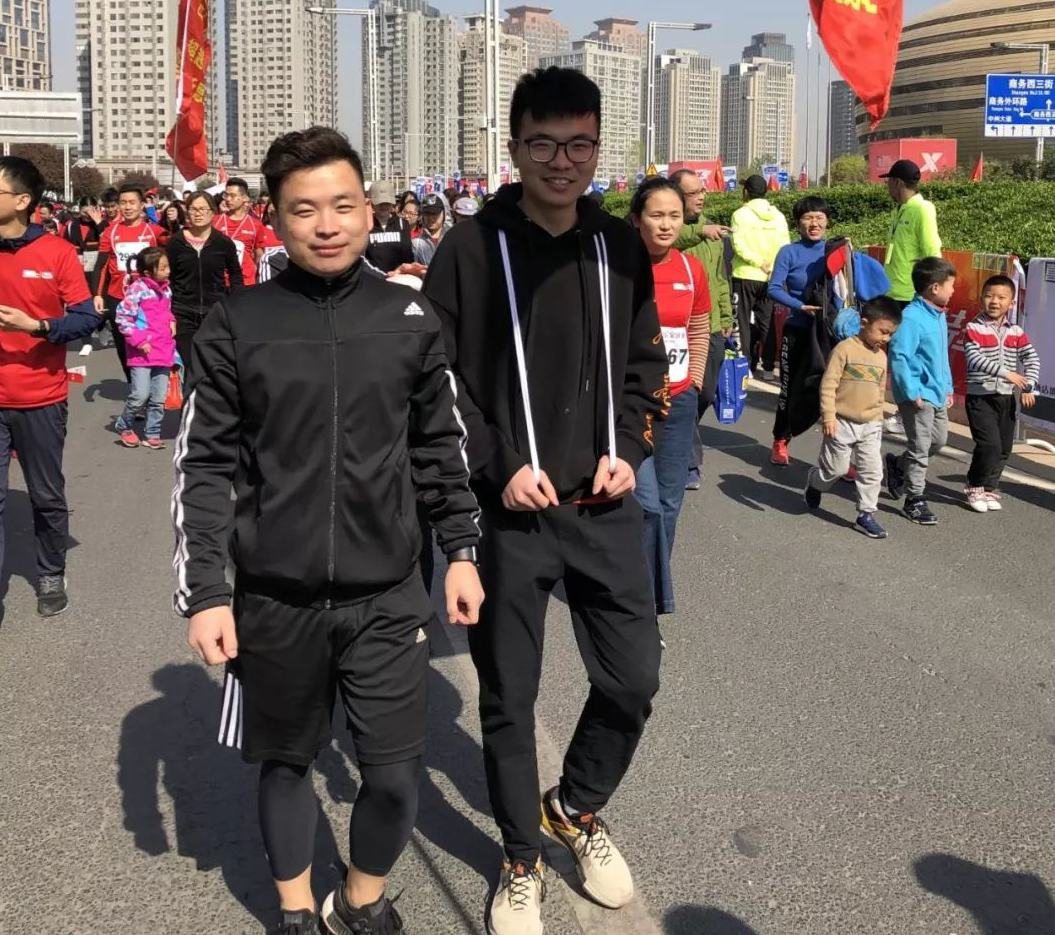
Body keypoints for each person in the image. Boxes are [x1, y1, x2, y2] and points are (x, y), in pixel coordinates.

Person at [174, 126, 483, 935]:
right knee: (285, 764)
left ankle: (360, 894)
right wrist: (206, 591)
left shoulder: (409, 315)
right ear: (274, 219)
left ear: (367, 208)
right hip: (274, 597)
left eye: (342, 205)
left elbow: (440, 446)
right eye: (304, 209)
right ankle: (294, 910)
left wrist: (460, 550)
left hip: (388, 594)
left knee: (393, 774)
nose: (326, 224)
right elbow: (202, 465)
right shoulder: (238, 321)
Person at [423, 66, 668, 935]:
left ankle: (574, 805)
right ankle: (520, 856)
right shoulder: (468, 248)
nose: (561, 163)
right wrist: (494, 463)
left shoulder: (618, 246)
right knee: (508, 697)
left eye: (578, 146)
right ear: (515, 146)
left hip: (601, 504)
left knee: (633, 677)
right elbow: (436, 377)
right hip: (509, 513)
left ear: (597, 149)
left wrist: (630, 447)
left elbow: (647, 363)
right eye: (543, 144)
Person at [0, 156, 99, 618]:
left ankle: (51, 571)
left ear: (22, 201)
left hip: (40, 397)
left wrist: (36, 325)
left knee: (45, 495)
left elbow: (85, 319)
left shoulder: (56, 252)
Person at [628, 176, 710, 617]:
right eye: (656, 215)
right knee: (647, 504)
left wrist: (693, 381)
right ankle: (642, 601)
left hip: (678, 402)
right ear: (636, 219)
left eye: (674, 215)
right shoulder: (619, 267)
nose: (666, 224)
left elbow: (698, 327)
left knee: (670, 502)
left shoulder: (690, 269)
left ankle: (650, 591)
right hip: (630, 404)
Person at [804, 297, 902, 539]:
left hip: (870, 424)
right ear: (864, 323)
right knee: (835, 471)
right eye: (883, 331)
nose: (886, 338)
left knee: (872, 472)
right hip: (841, 422)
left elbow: (879, 391)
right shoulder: (844, 349)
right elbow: (828, 385)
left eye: (890, 334)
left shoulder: (881, 357)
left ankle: (866, 514)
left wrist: (878, 418)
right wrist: (828, 416)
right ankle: (815, 482)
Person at [671, 169, 734, 489]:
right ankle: (688, 461)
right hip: (677, 327)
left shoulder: (711, 229)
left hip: (711, 326)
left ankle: (676, 437)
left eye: (702, 191)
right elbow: (674, 237)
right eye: (694, 192)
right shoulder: (673, 227)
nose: (701, 197)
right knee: (685, 392)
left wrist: (726, 317)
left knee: (706, 393)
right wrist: (699, 232)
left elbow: (720, 279)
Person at [885, 257, 956, 525]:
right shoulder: (912, 317)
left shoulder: (938, 315)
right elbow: (899, 356)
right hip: (918, 395)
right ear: (935, 288)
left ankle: (897, 465)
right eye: (951, 285)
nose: (953, 291)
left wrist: (947, 387)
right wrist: (910, 389)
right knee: (920, 447)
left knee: (938, 441)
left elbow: (941, 357)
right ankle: (914, 499)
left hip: (937, 393)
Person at [962, 274, 1041, 512]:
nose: (994, 301)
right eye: (989, 296)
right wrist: (1006, 373)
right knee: (989, 445)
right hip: (980, 397)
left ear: (1011, 303)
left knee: (1005, 447)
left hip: (1006, 398)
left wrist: (1029, 385)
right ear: (981, 299)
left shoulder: (1015, 331)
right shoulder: (973, 327)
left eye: (1001, 297)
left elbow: (1032, 358)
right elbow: (974, 357)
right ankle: (975, 485)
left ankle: (989, 488)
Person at [768, 196, 831, 466]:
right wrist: (799, 306)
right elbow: (773, 288)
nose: (814, 223)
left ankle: (838, 454)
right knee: (789, 388)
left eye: (819, 217)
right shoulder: (788, 252)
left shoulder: (835, 250)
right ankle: (780, 439)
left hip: (827, 334)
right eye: (807, 218)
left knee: (833, 392)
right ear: (798, 223)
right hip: (797, 330)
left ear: (827, 221)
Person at [166, 191, 242, 384]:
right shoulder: (175, 243)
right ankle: (191, 400)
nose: (198, 213)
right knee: (191, 364)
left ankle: (210, 400)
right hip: (183, 312)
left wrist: (236, 306)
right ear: (187, 212)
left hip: (214, 312)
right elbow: (168, 279)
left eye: (202, 209)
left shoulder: (223, 243)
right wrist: (167, 313)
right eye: (193, 209)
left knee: (214, 365)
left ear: (212, 212)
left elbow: (235, 276)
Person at [94, 184, 167, 380]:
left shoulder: (155, 232)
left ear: (142, 205)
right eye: (123, 203)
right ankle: (134, 386)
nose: (127, 207)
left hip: (149, 300)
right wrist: (98, 295)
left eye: (132, 202)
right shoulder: (110, 232)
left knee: (150, 344)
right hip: (119, 298)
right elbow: (101, 266)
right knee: (124, 346)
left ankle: (151, 386)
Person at [113, 246, 175, 450]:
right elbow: (123, 318)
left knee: (158, 398)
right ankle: (124, 425)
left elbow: (166, 312)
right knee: (140, 395)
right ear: (148, 272)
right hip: (142, 353)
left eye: (168, 266)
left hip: (163, 349)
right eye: (163, 268)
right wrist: (140, 341)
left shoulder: (166, 289)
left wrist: (172, 321)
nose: (168, 271)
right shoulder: (137, 289)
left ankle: (152, 433)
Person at [730, 174, 789, 376]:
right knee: (768, 323)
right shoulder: (779, 216)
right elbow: (785, 247)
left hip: (744, 275)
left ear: (746, 192)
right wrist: (772, 268)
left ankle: (744, 365)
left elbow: (738, 245)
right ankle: (769, 368)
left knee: (741, 322)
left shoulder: (740, 214)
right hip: (770, 276)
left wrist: (757, 262)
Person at [881, 159, 942, 307]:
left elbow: (932, 252)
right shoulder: (899, 210)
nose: (887, 186)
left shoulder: (922, 209)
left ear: (897, 182)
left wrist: (931, 292)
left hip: (910, 294)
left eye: (888, 182)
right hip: (891, 291)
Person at [214, 177, 267, 286]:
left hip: (246, 281)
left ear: (245, 198)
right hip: (220, 281)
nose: (228, 199)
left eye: (233, 195)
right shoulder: (215, 221)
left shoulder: (256, 224)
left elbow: (259, 254)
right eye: (226, 195)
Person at [365, 180, 414, 273]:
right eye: (380, 203)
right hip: (372, 278)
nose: (384, 206)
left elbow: (408, 257)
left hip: (398, 278)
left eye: (387, 202)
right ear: (372, 203)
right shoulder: (365, 225)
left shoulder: (402, 224)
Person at [411, 193, 446, 265]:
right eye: (427, 213)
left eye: (434, 213)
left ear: (444, 213)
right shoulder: (416, 243)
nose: (430, 218)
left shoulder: (452, 237)